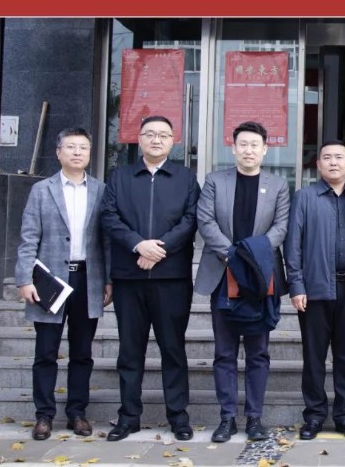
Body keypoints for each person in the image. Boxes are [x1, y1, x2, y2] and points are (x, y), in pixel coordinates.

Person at [100, 115, 200, 442]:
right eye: (150, 134)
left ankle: (178, 417)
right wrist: (137, 244)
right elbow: (109, 217)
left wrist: (159, 249)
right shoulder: (120, 176)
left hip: (171, 278)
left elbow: (191, 220)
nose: (156, 140)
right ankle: (128, 417)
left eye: (163, 135)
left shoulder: (186, 178)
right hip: (129, 278)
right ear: (139, 139)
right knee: (130, 351)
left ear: (173, 141)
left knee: (173, 349)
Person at [194, 121, 289, 443]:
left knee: (258, 352)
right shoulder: (214, 181)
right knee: (224, 352)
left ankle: (254, 418)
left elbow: (280, 227)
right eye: (243, 144)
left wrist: (251, 256)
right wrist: (233, 255)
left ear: (265, 149)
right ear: (233, 148)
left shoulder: (278, 185)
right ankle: (226, 418)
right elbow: (205, 220)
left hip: (260, 278)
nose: (249, 150)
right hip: (224, 274)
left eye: (254, 145)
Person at [15, 127, 112, 441]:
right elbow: (28, 238)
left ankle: (77, 413)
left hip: (87, 278)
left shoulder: (101, 190)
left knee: (82, 352)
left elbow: (106, 240)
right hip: (50, 281)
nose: (77, 152)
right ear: (58, 153)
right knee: (46, 351)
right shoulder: (41, 190)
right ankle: (44, 415)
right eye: (71, 147)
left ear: (90, 153)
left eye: (83, 147)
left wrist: (108, 279)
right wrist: (24, 279)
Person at [284, 140, 345, 441]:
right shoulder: (304, 197)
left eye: (339, 157)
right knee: (314, 357)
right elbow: (293, 245)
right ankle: (314, 416)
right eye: (327, 158)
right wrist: (296, 285)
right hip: (315, 289)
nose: (333, 162)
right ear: (318, 164)